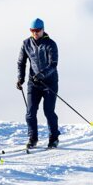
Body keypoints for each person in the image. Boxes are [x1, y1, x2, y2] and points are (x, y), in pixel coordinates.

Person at [17, 18, 60, 149]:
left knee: (48, 111)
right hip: (33, 83)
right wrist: (20, 78)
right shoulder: (26, 43)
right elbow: (21, 62)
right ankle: (32, 138)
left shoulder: (51, 44)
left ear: (43, 29)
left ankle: (54, 138)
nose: (35, 33)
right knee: (30, 112)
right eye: (32, 30)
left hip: (49, 83)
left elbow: (53, 64)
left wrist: (42, 74)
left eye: (37, 30)